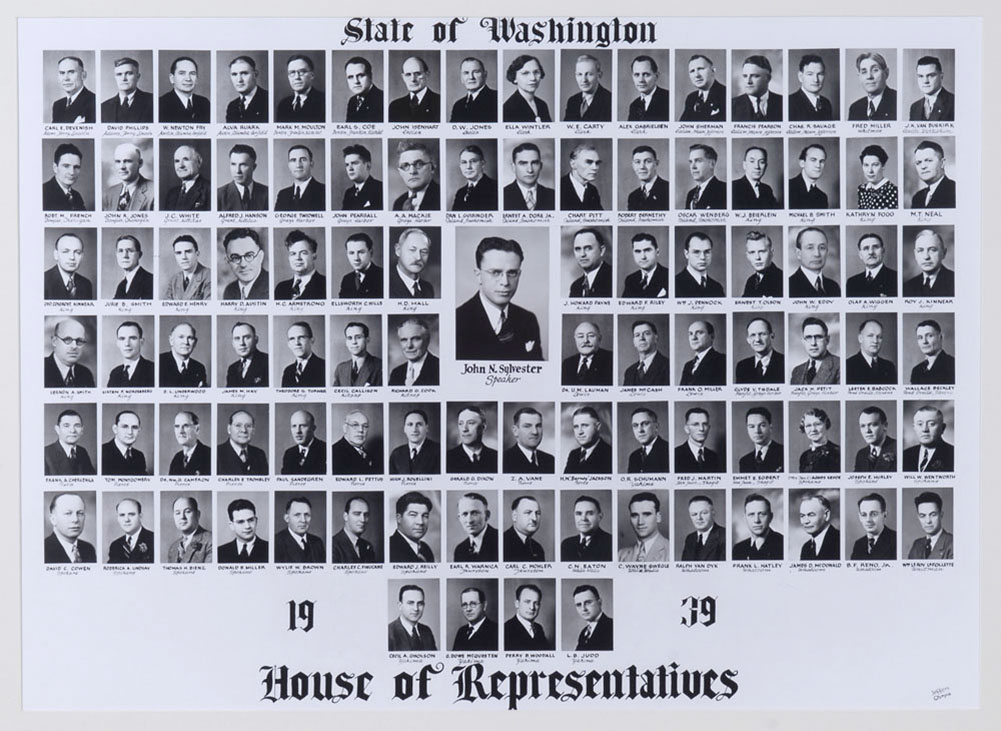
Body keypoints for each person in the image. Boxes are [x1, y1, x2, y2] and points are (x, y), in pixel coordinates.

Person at [455, 237, 543, 361]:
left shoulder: (528, 320)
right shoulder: (457, 322)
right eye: (496, 272)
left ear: (519, 275)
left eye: (512, 273)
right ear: (478, 276)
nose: (505, 282)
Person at [44, 493, 96, 563]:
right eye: (68, 513)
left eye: (80, 513)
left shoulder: (89, 549)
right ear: (53, 519)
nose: (75, 519)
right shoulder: (43, 550)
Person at [789, 227, 841, 297]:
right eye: (810, 248)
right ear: (798, 253)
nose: (817, 254)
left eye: (822, 248)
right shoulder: (789, 286)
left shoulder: (834, 287)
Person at [502, 142, 555, 211]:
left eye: (534, 163)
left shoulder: (553, 195)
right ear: (513, 167)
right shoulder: (502, 195)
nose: (530, 170)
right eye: (523, 163)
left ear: (541, 166)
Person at [618, 492, 670, 562]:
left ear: (658, 517)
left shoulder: (670, 551)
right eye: (634, 515)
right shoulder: (620, 555)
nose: (640, 522)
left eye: (646, 514)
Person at [274, 230, 326, 300]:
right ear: (289, 258)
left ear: (314, 256)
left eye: (303, 253)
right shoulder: (280, 288)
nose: (298, 258)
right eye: (293, 253)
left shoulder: (325, 285)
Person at [102, 143, 154, 212]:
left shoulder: (153, 192)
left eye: (128, 161)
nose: (122, 167)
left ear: (140, 163)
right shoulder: (110, 193)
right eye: (118, 161)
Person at [44, 318, 95, 388]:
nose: (74, 346)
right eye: (67, 339)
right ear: (54, 341)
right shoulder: (40, 369)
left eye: (79, 341)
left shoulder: (86, 374)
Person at [445, 406, 498, 473]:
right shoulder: (447, 458)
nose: (464, 429)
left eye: (471, 423)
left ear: (483, 427)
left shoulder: (496, 457)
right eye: (460, 424)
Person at [903, 228, 954, 297]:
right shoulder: (908, 286)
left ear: (943, 253)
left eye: (932, 250)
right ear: (915, 254)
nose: (926, 257)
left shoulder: (954, 281)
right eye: (920, 250)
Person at [388, 55, 441, 123]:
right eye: (408, 74)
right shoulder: (395, 106)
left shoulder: (439, 102)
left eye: (418, 74)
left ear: (427, 74)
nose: (413, 79)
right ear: (403, 77)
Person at [388, 317, 439, 386]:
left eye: (415, 339)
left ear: (427, 340)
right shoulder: (396, 373)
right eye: (404, 340)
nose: (409, 345)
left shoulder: (440, 368)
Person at [100, 56, 153, 123]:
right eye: (119, 74)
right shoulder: (103, 108)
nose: (124, 78)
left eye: (129, 73)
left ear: (138, 77)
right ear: (115, 77)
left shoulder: (152, 101)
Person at [732, 493, 783, 560]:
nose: (756, 520)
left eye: (761, 514)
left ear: (771, 517)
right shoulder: (738, 549)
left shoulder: (782, 544)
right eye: (751, 514)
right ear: (745, 518)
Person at [216, 409, 269, 476]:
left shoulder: (259, 454)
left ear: (253, 430)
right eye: (238, 425)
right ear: (229, 429)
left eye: (248, 426)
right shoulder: (216, 454)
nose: (244, 430)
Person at [221, 227, 269, 300]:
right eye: (235, 258)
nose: (243, 264)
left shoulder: (272, 286)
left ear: (260, 256)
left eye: (249, 256)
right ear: (228, 261)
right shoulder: (229, 291)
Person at [903, 405, 954, 472]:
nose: (925, 429)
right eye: (920, 424)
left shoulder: (953, 454)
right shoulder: (905, 455)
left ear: (942, 428)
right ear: (914, 428)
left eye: (931, 424)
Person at [44, 409, 96, 476]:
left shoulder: (82, 452)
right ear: (57, 429)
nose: (72, 430)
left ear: (82, 430)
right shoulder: (45, 454)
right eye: (66, 426)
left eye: (77, 425)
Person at [217, 144, 269, 212]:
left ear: (254, 167)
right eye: (233, 164)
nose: (237, 171)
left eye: (243, 165)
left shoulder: (267, 193)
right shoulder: (218, 195)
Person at [503, 408, 555, 474]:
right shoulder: (504, 460)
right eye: (527, 426)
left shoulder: (550, 460)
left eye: (538, 426)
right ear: (515, 431)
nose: (535, 432)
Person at [274, 496, 325, 563]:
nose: (303, 520)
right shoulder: (276, 543)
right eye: (297, 515)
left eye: (307, 515)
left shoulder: (317, 542)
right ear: (287, 518)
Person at [389, 409, 441, 475]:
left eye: (419, 424)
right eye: (410, 424)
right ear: (405, 429)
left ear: (426, 428)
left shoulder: (439, 451)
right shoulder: (396, 454)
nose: (414, 429)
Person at [159, 56, 210, 123]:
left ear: (197, 79)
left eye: (192, 73)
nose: (188, 79)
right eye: (182, 73)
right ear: (172, 78)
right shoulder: (161, 104)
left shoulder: (204, 103)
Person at [560, 496, 612, 562]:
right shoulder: (566, 545)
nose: (583, 518)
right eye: (579, 513)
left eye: (590, 513)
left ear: (600, 517)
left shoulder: (610, 543)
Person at [276, 54, 325, 123]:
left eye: (302, 72)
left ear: (312, 75)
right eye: (292, 73)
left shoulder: (323, 101)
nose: (297, 77)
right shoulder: (283, 105)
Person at [848, 52, 897, 121]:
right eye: (864, 72)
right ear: (859, 77)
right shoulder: (855, 108)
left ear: (886, 73)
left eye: (875, 70)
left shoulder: (897, 101)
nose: (869, 76)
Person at [503, 55, 552, 123]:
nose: (533, 78)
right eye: (525, 73)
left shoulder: (542, 105)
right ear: (514, 78)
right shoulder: (508, 109)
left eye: (536, 72)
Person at [846, 319, 897, 385]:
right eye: (870, 336)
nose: (875, 341)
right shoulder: (848, 366)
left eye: (879, 337)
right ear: (860, 338)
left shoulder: (889, 367)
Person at [330, 409, 381, 475]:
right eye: (355, 425)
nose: (361, 430)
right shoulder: (334, 453)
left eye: (365, 426)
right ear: (345, 428)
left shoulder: (368, 455)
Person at [561, 321, 613, 386]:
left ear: (599, 339)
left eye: (591, 336)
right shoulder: (567, 364)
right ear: (575, 339)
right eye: (580, 336)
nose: (585, 340)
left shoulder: (611, 360)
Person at [790, 317, 840, 385]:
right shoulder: (796, 371)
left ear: (827, 340)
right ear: (803, 341)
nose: (813, 343)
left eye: (818, 337)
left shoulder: (840, 366)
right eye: (808, 337)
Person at [275, 144, 325, 211]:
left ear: (311, 164)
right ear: (289, 165)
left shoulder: (324, 191)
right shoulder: (283, 195)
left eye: (303, 159)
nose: (298, 165)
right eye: (293, 160)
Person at [846, 231, 897, 297]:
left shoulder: (895, 278)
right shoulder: (852, 283)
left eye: (875, 247)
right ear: (860, 255)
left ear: (883, 251)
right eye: (866, 248)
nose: (871, 252)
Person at [732, 55, 782, 121]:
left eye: (755, 76)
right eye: (745, 76)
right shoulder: (731, 105)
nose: (748, 81)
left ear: (768, 78)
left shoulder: (783, 103)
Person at [44, 233, 93, 300]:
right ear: (56, 255)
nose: (72, 257)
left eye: (77, 252)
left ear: (82, 256)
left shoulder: (86, 284)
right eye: (65, 251)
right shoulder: (43, 281)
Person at [332, 321, 383, 387]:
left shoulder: (379, 366)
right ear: (346, 342)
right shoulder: (341, 369)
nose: (354, 342)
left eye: (358, 337)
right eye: (350, 338)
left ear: (367, 339)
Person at [563, 407, 612, 474]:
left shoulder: (609, 454)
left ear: (597, 427)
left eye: (584, 425)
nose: (580, 432)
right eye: (576, 427)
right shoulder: (573, 455)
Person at [735, 317, 785, 384]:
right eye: (753, 335)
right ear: (748, 340)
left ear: (772, 336)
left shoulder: (784, 362)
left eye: (762, 334)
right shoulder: (742, 366)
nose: (757, 339)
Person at [392, 141, 440, 211]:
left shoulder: (440, 197)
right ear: (400, 172)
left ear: (432, 167)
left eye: (419, 164)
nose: (412, 171)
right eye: (405, 166)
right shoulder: (399, 203)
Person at [218, 498, 269, 563]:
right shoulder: (220, 552)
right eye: (240, 522)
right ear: (231, 525)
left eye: (251, 520)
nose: (247, 526)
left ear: (256, 521)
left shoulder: (270, 549)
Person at [675, 231, 725, 297]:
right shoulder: (674, 284)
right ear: (686, 254)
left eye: (707, 252)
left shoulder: (717, 287)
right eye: (696, 252)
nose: (703, 257)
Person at [563, 54, 611, 122]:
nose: (584, 80)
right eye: (579, 74)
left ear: (599, 75)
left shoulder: (609, 100)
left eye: (589, 74)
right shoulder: (572, 101)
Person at [389, 492, 436, 562]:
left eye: (425, 516)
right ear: (399, 518)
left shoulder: (426, 549)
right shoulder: (389, 547)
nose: (420, 522)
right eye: (413, 515)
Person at [388, 585, 437, 651]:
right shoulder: (388, 633)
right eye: (410, 603)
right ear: (400, 606)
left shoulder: (427, 631)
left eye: (420, 604)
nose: (416, 608)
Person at [674, 407, 723, 473]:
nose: (701, 429)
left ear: (709, 428)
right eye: (695, 424)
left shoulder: (714, 457)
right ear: (687, 429)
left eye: (705, 424)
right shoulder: (675, 455)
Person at [107, 320, 155, 387]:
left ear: (141, 342)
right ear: (118, 343)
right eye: (122, 338)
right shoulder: (115, 373)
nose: (127, 344)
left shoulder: (153, 370)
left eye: (132, 338)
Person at [452, 493, 499, 562]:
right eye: (465, 514)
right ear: (459, 518)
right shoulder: (460, 550)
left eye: (475, 513)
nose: (469, 520)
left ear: (487, 515)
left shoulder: (501, 540)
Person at [621, 232, 669, 298]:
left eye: (647, 250)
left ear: (657, 252)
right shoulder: (630, 280)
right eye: (638, 251)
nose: (643, 256)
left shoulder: (669, 276)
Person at [906, 492, 953, 560]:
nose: (928, 521)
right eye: (922, 516)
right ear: (918, 517)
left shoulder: (953, 543)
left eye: (933, 515)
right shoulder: (917, 545)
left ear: (941, 515)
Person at [450, 56, 497, 123]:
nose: (471, 77)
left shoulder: (496, 99)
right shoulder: (458, 105)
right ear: (461, 78)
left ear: (485, 75)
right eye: (466, 73)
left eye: (476, 72)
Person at [330, 496, 377, 563]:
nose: (363, 520)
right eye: (357, 514)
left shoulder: (368, 546)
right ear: (346, 516)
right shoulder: (332, 545)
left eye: (366, 515)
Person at [279, 409, 327, 476]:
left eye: (303, 426)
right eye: (294, 426)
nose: (298, 431)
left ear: (313, 428)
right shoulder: (289, 454)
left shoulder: (325, 450)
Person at [850, 493, 897, 560]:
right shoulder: (858, 544)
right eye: (864, 515)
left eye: (874, 514)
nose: (868, 520)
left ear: (884, 515)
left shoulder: (895, 540)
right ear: (860, 517)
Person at [164, 234, 211, 300]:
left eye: (188, 252)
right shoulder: (174, 280)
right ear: (175, 256)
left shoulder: (209, 276)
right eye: (178, 253)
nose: (184, 257)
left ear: (197, 254)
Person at [451, 144, 498, 211]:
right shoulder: (460, 193)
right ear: (460, 166)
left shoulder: (495, 188)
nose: (468, 167)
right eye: (464, 162)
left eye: (473, 161)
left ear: (483, 164)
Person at [679, 319, 726, 386]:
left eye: (699, 333)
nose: (693, 337)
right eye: (690, 334)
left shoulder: (722, 360)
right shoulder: (687, 365)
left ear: (712, 336)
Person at [505, 584, 551, 650]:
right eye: (527, 602)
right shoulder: (506, 630)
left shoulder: (539, 628)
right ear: (517, 604)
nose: (532, 607)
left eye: (536, 603)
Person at [163, 145, 210, 211]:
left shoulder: (210, 190)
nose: (181, 165)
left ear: (199, 162)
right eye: (177, 161)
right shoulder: (172, 194)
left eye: (186, 159)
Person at [910, 140, 955, 208]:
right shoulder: (917, 198)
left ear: (942, 163)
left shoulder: (954, 191)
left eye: (928, 161)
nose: (923, 166)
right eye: (918, 163)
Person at [680, 54, 726, 121]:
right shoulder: (691, 98)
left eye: (700, 69)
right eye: (692, 71)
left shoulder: (725, 94)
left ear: (713, 71)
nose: (697, 75)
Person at [42, 142, 87, 211]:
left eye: (76, 167)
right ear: (55, 168)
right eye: (66, 166)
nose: (72, 172)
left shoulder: (77, 196)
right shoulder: (43, 193)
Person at [101, 409, 147, 476]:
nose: (130, 432)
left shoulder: (139, 456)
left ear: (139, 430)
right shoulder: (102, 452)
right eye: (125, 426)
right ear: (115, 429)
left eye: (134, 427)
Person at [107, 498, 154, 564]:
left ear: (140, 516)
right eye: (122, 515)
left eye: (131, 514)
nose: (126, 519)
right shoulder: (115, 546)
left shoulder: (153, 540)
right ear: (118, 518)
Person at [623, 320, 669, 386]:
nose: (641, 338)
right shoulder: (629, 372)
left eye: (647, 333)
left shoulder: (668, 366)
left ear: (656, 338)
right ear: (634, 342)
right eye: (637, 335)